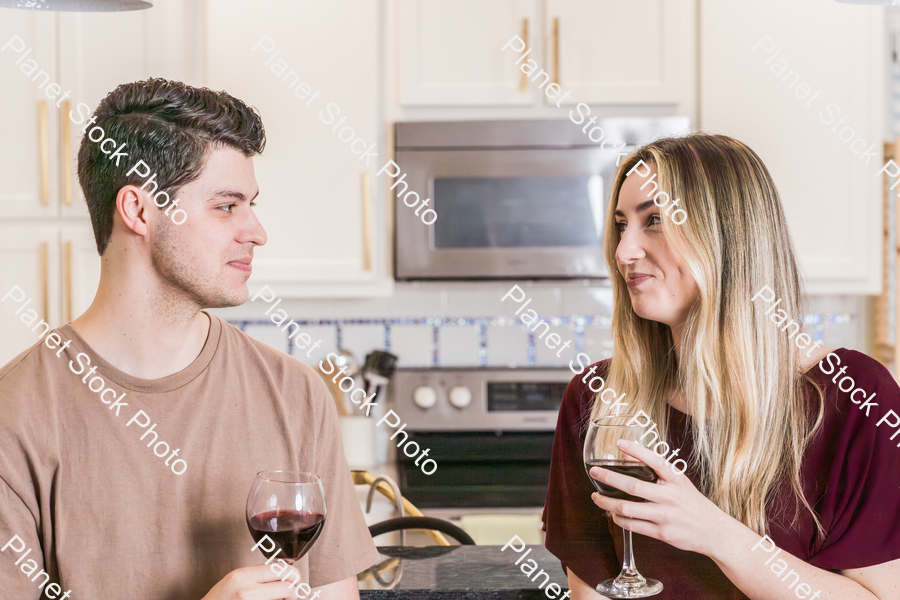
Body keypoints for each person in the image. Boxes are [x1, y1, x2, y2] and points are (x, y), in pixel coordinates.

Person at [0, 78, 380, 599]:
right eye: (226, 206)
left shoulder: (295, 393)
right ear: (138, 211)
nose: (257, 231)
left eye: (251, 204)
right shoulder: (15, 414)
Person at [542, 134, 900, 599]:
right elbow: (592, 594)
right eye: (620, 224)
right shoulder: (597, 398)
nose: (623, 251)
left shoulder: (855, 396)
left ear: (727, 234)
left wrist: (717, 535)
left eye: (653, 220)